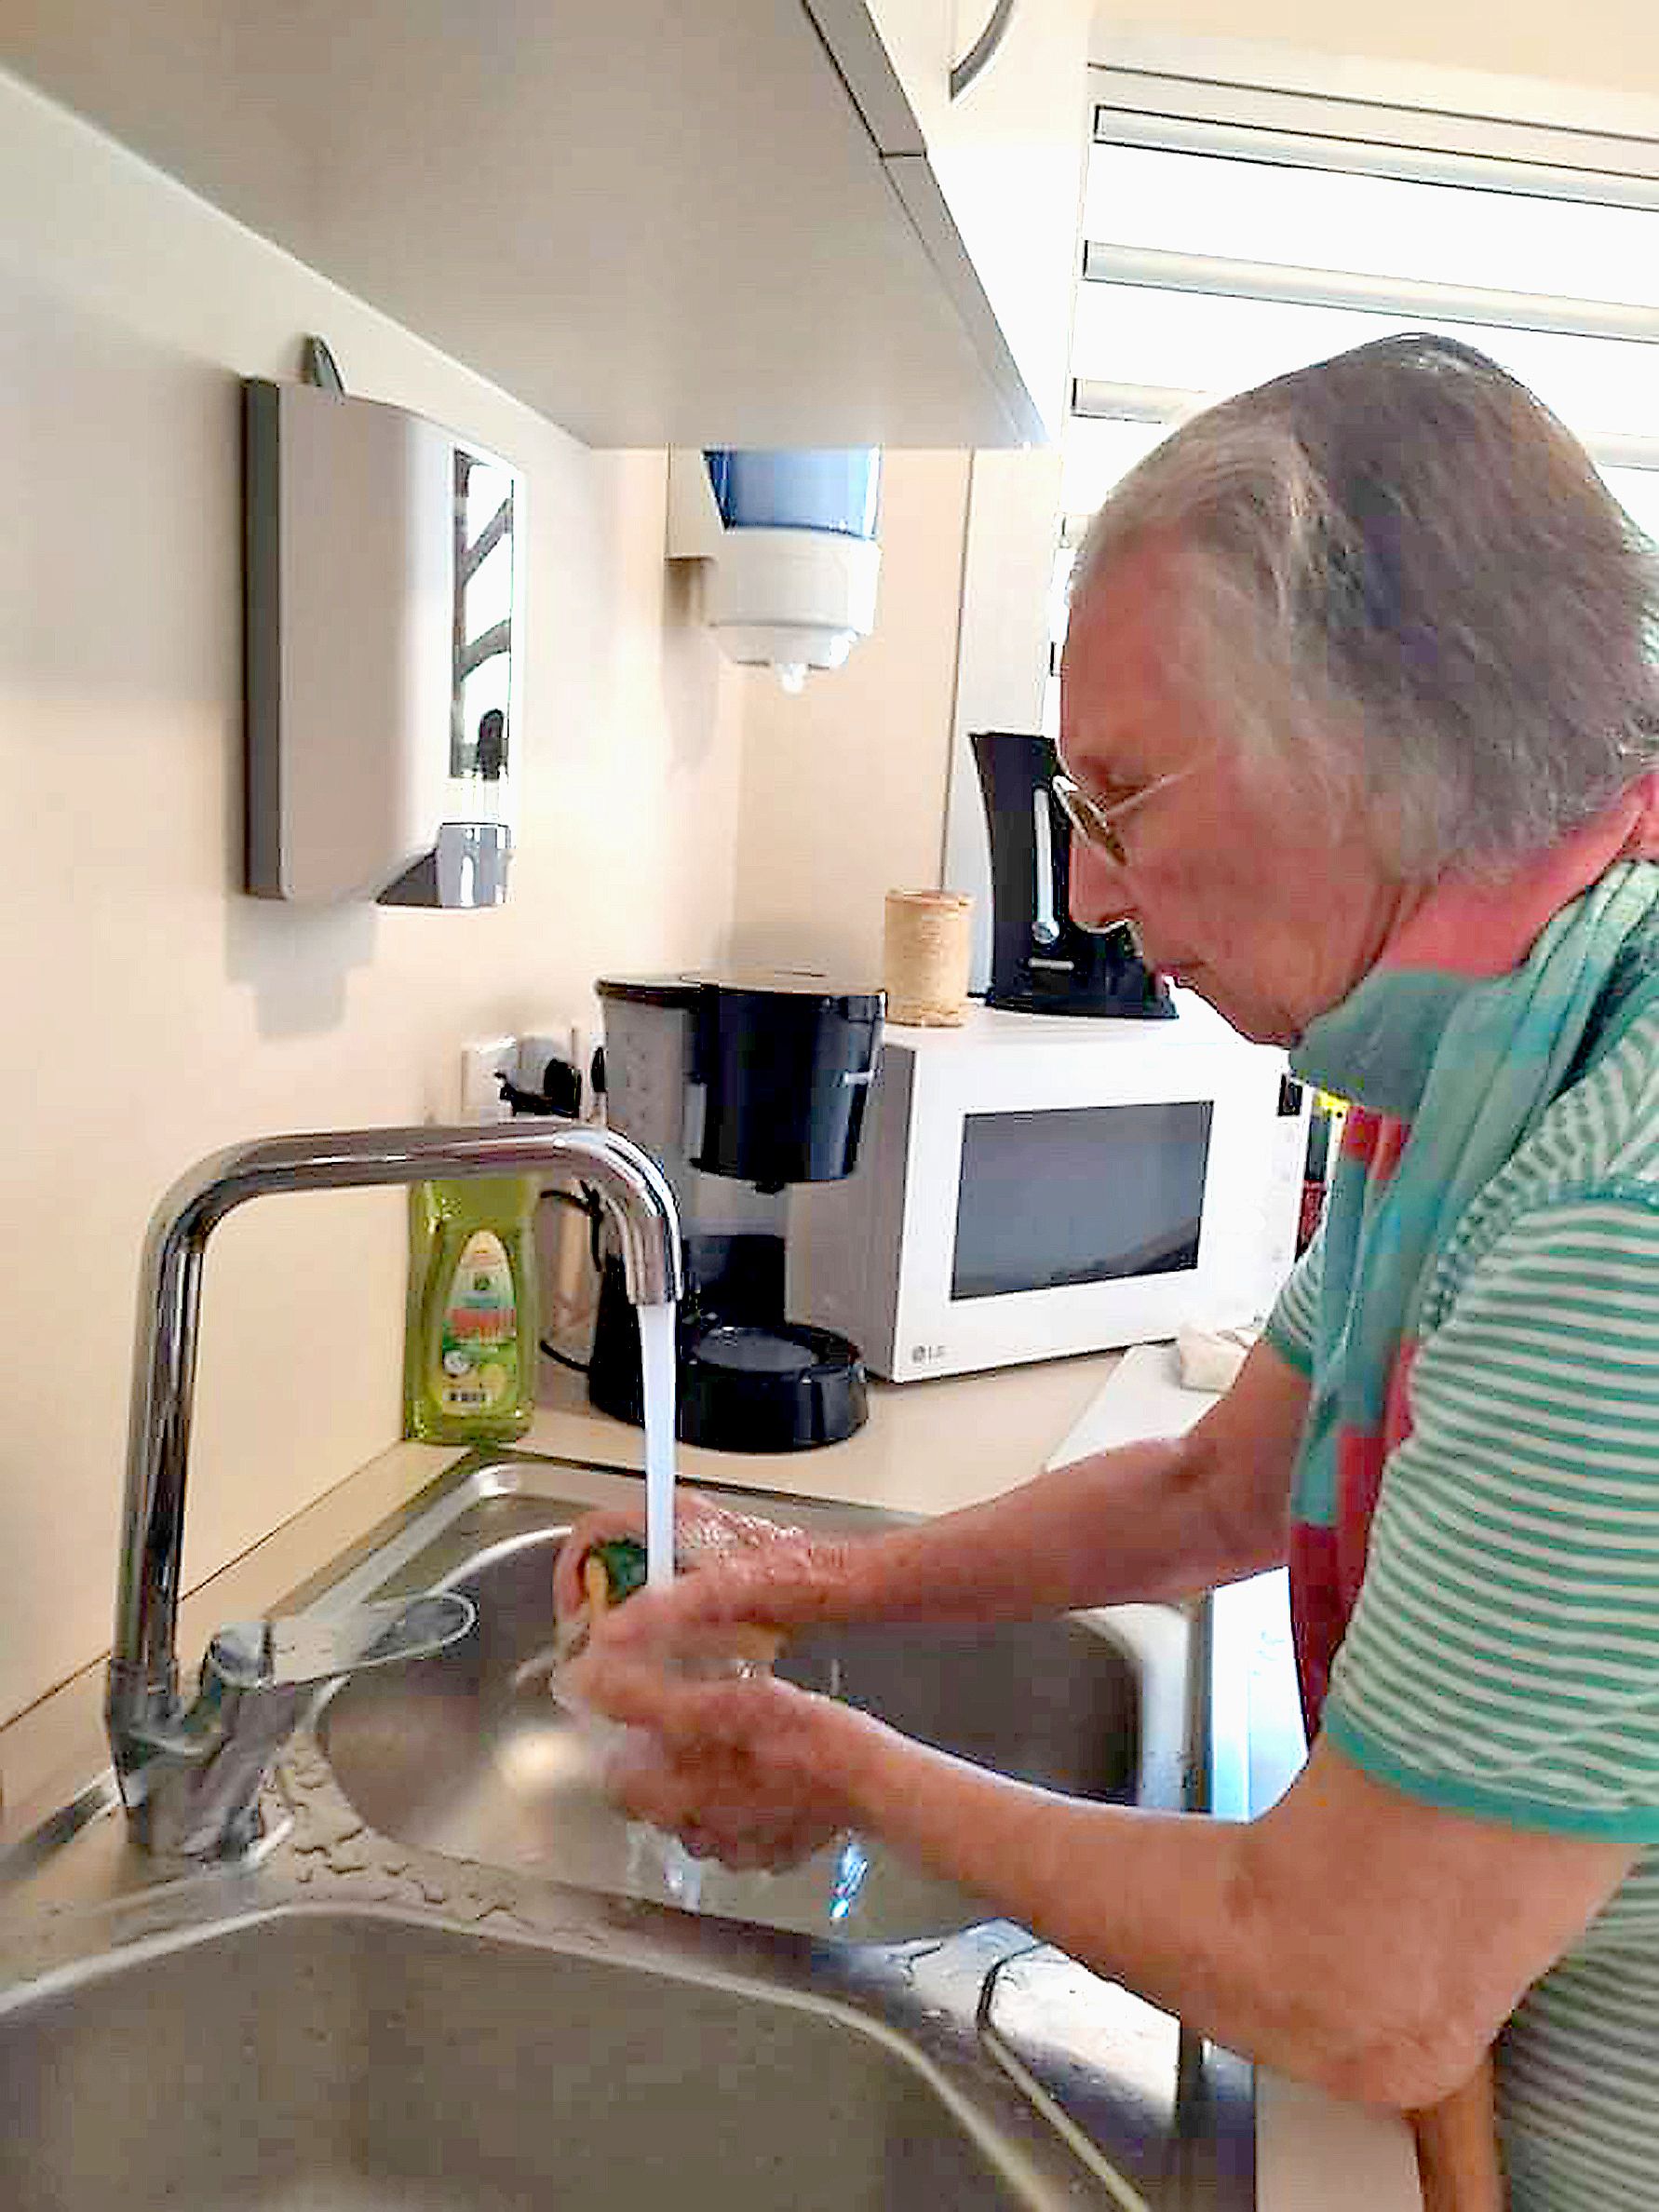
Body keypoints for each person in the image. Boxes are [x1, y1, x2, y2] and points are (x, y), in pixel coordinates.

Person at [559, 333, 1659, 2211]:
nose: (1087, 896)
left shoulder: (1602, 1205)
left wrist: (836, 1764)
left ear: (1380, 742)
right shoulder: (1462, 1060)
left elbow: (1362, 1982)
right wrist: (823, 1575)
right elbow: (1207, 1487)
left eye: (1124, 798)